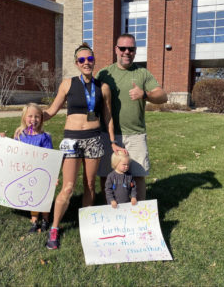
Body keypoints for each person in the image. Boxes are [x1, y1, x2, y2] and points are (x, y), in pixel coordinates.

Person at [43, 43, 123, 250]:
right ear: (76, 64)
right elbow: (51, 111)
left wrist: (113, 141)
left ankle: (86, 225)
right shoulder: (67, 84)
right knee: (68, 187)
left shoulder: (103, 87)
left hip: (94, 139)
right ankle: (54, 228)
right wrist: (30, 119)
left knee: (89, 185)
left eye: (89, 59)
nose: (86, 63)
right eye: (82, 60)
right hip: (71, 140)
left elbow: (108, 116)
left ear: (94, 61)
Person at [97, 33, 168, 201]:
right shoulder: (104, 73)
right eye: (123, 48)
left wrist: (145, 94)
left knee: (138, 176)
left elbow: (162, 96)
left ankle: (140, 215)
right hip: (108, 134)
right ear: (116, 49)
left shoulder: (142, 73)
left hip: (135, 134)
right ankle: (109, 210)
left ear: (135, 51)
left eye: (131, 49)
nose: (127, 52)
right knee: (105, 174)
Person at [14, 103, 53, 233]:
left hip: (41, 173)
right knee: (32, 196)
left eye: (37, 116)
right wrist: (1, 139)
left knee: (44, 195)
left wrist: (52, 176)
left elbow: (49, 158)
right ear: (24, 117)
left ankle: (46, 219)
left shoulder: (45, 137)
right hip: (26, 173)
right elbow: (12, 153)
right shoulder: (20, 135)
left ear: (41, 119)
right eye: (30, 116)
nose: (33, 119)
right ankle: (34, 219)